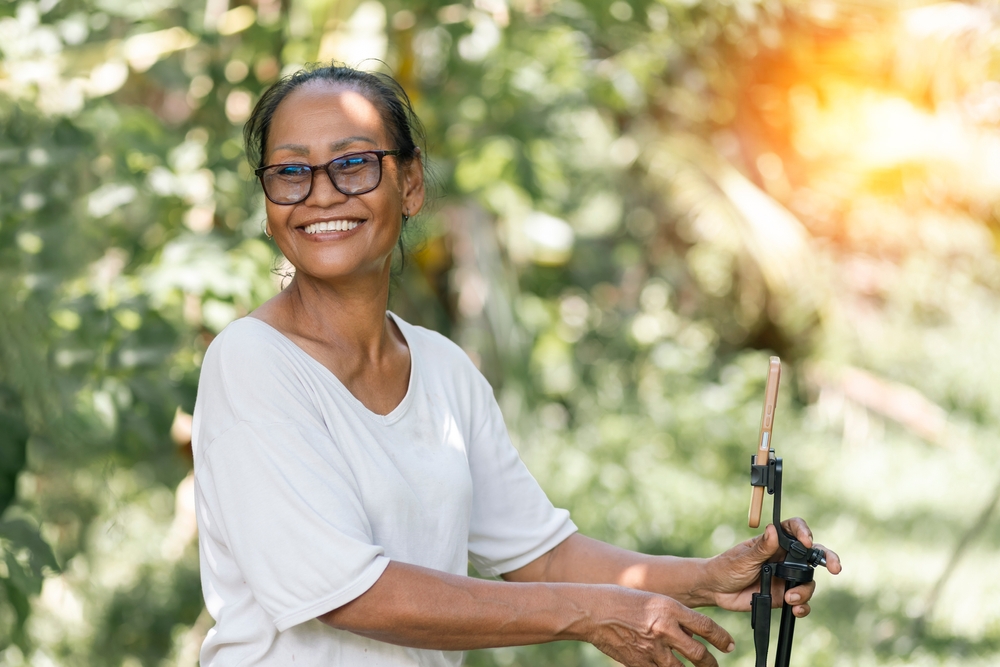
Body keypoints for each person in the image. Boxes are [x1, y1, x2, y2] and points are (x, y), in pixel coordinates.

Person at [191, 63, 841, 667]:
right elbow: (350, 594)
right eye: (290, 172)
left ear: (410, 185)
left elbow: (543, 557)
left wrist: (708, 578)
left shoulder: (442, 369)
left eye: (353, 163)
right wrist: (591, 613)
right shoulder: (251, 363)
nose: (321, 194)